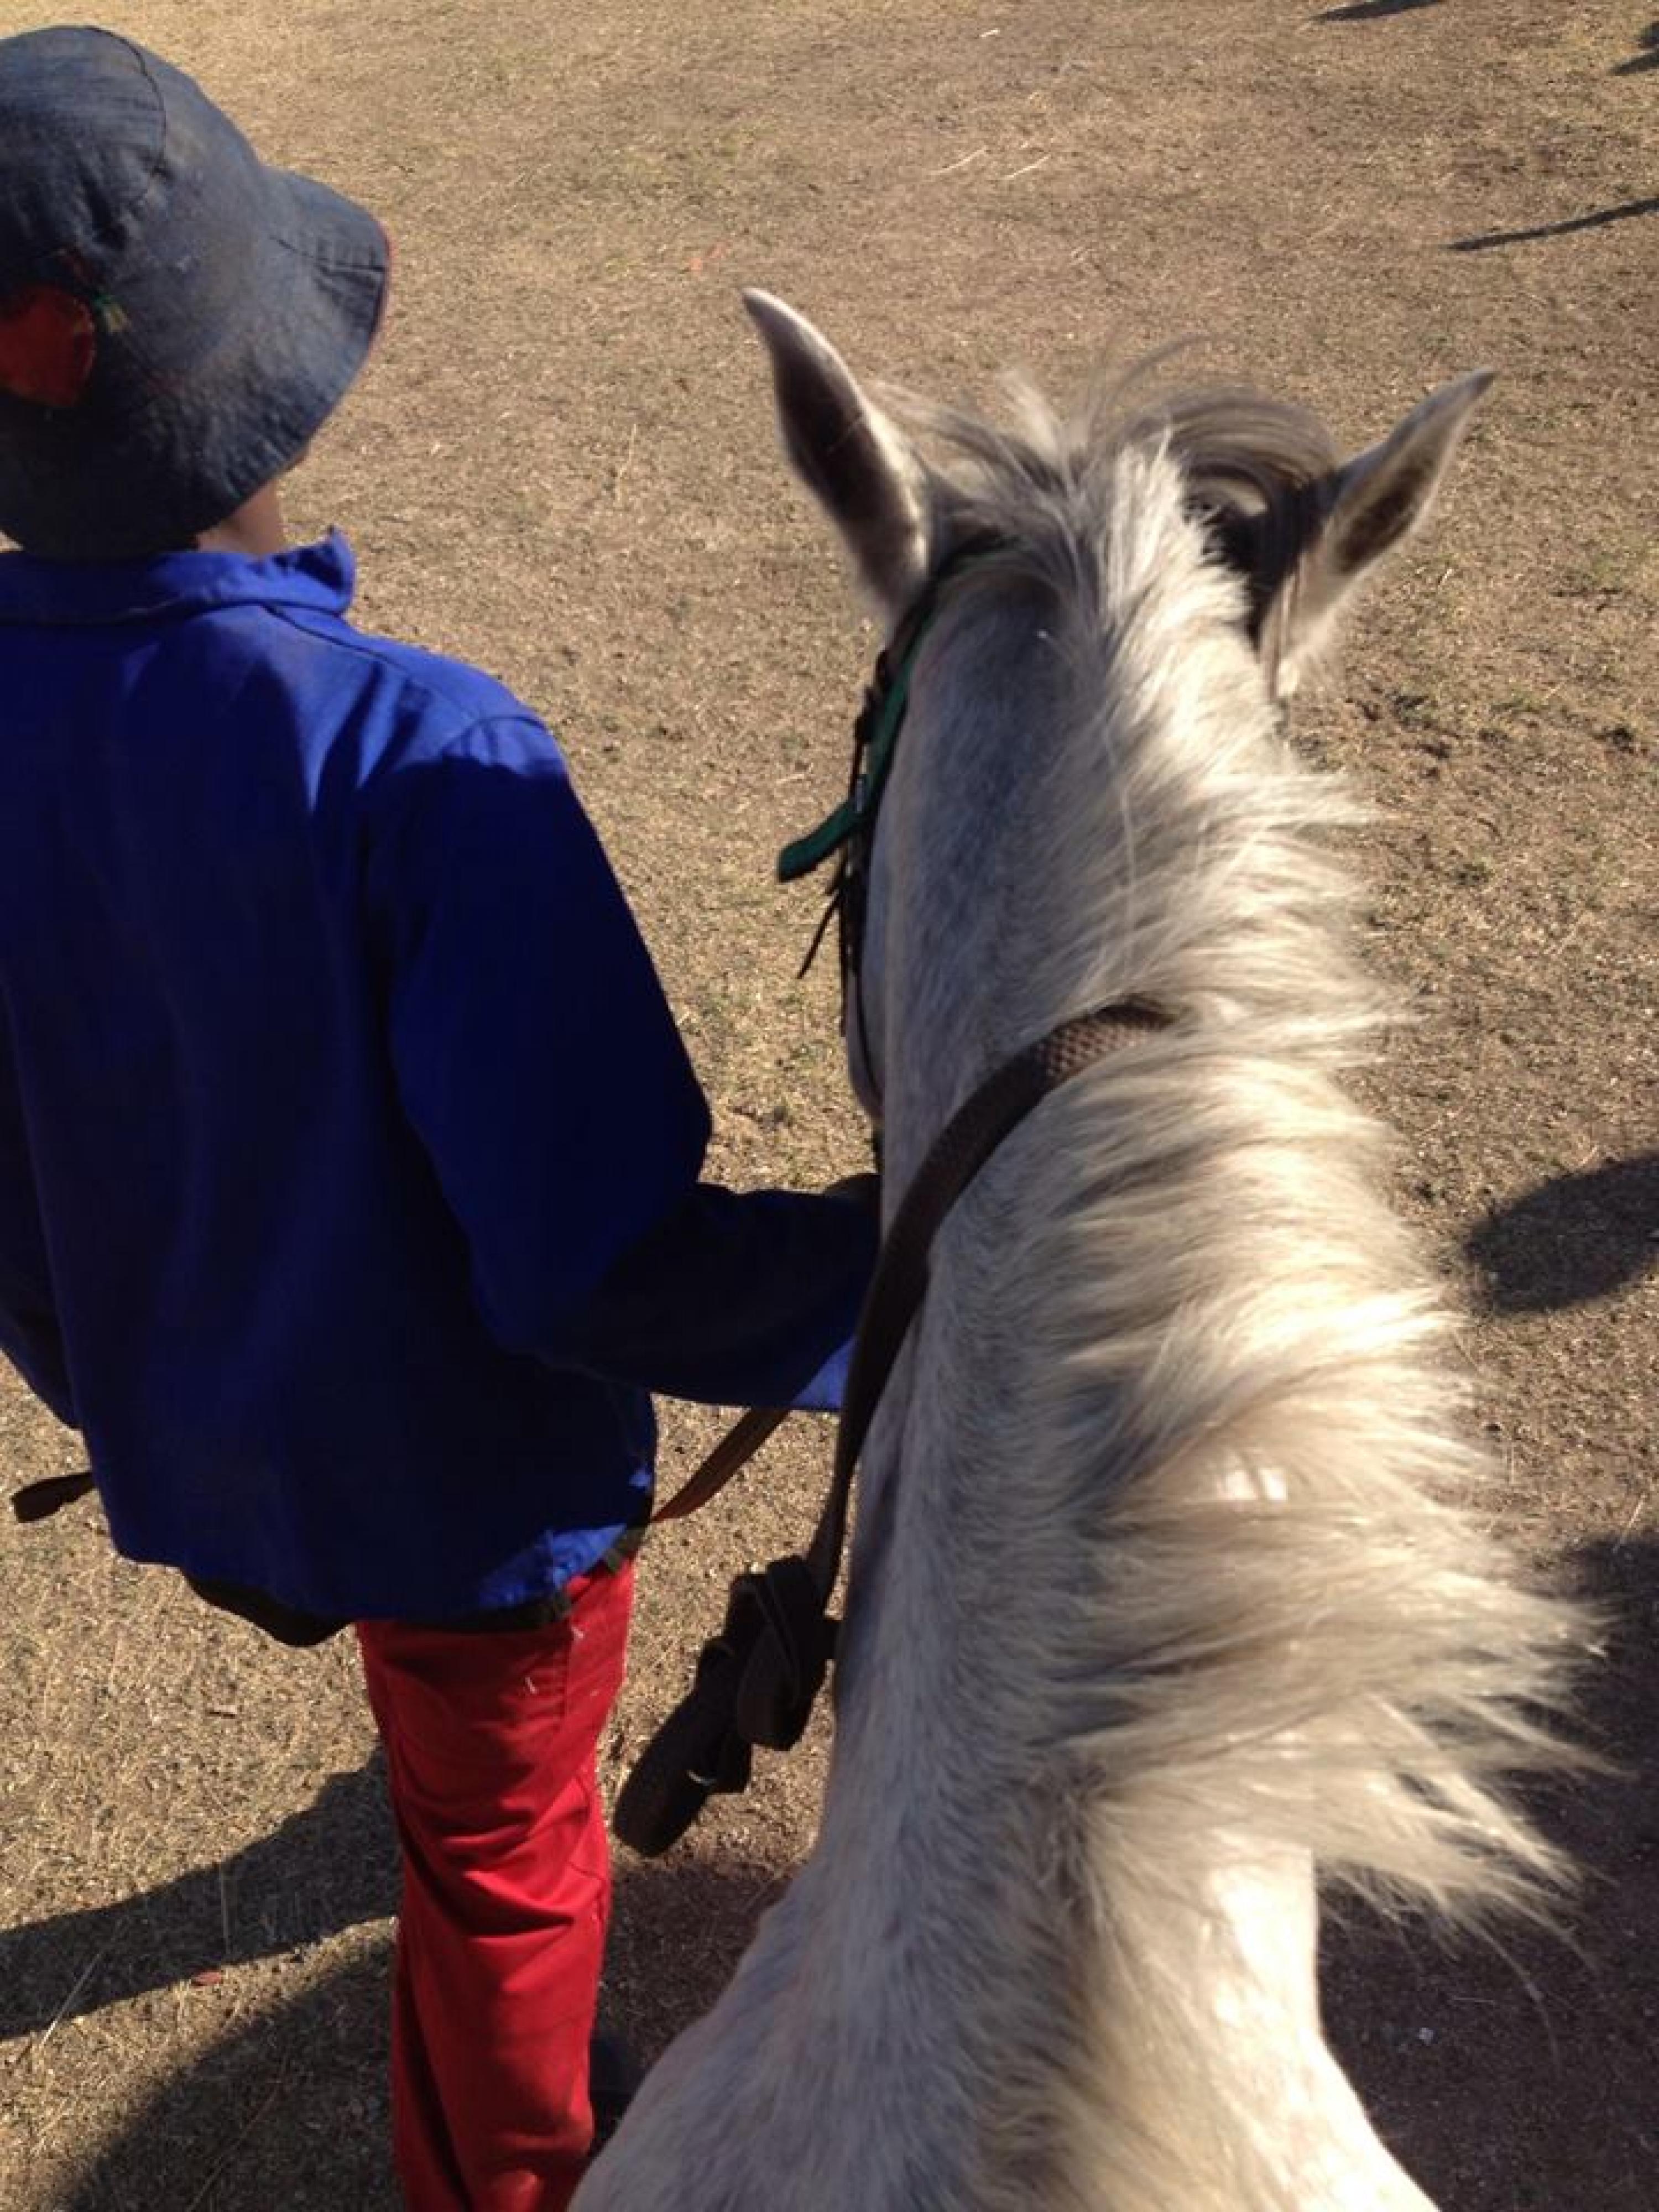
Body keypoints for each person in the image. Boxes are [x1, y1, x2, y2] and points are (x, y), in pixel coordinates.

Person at [0, 28, 877, 2211]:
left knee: (450, 1809)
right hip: (464, 1493)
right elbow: (591, 1258)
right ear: (272, 348)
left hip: (208, 1448)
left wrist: (124, 1378)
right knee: (504, 1864)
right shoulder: (419, 759)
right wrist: (898, 1256)